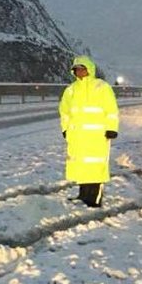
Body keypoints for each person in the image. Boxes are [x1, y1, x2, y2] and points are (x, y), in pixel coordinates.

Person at [59, 55, 119, 207]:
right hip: (78, 137)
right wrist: (65, 129)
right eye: (77, 70)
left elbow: (111, 109)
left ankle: (94, 199)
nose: (79, 72)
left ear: (89, 69)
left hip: (97, 136)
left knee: (96, 166)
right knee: (82, 166)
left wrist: (112, 128)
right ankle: (83, 195)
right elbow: (64, 112)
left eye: (82, 69)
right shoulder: (70, 90)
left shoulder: (102, 87)